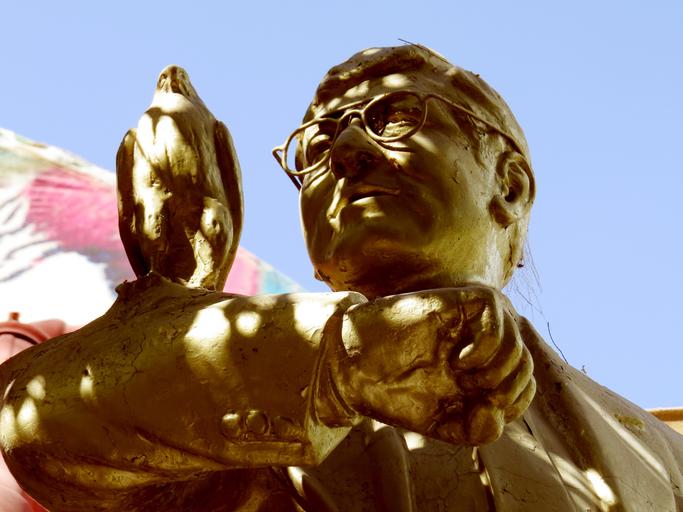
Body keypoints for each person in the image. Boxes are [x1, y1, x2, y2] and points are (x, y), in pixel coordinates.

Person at [1, 45, 682, 511]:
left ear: (507, 185)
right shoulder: (265, 385)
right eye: (319, 145)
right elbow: (39, 427)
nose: (347, 152)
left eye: (394, 118)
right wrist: (342, 357)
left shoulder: (661, 457)